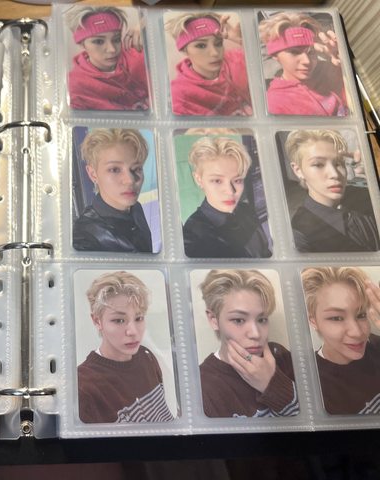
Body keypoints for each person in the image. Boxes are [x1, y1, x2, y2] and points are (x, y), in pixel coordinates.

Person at [198, 269, 299, 418]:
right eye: (239, 320)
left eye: (262, 319)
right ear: (214, 320)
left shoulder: (281, 356)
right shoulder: (202, 385)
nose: (256, 334)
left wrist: (273, 385)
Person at [77, 271, 174, 423]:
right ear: (97, 321)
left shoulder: (146, 356)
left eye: (139, 318)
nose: (133, 332)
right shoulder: (84, 387)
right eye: (119, 320)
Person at [284, 129, 379, 252]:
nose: (334, 174)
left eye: (338, 163)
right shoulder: (300, 234)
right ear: (298, 170)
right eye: (318, 164)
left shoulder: (367, 195)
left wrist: (375, 169)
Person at [301, 267, 380, 415]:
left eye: (361, 315)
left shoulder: (376, 346)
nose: (357, 332)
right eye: (336, 318)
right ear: (313, 321)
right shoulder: (312, 385)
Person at [182, 135, 271, 258]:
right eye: (217, 181)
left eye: (237, 180)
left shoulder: (246, 210)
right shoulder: (192, 237)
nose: (230, 191)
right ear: (199, 179)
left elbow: (266, 252)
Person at [73, 128, 153, 253]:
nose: (130, 180)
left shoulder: (136, 208)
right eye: (115, 169)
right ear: (93, 174)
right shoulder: (84, 239)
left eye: (137, 168)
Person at [259, 12, 348, 116]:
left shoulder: (330, 71)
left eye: (311, 52)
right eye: (294, 52)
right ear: (275, 55)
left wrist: (344, 63)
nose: (307, 61)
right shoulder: (274, 103)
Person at [164, 12, 252, 116]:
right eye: (201, 46)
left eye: (218, 43)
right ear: (184, 50)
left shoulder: (237, 60)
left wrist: (243, 42)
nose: (215, 53)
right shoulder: (180, 95)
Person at [64, 6, 150, 111]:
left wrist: (147, 25)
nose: (112, 49)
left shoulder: (138, 56)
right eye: (99, 41)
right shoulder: (75, 87)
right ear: (82, 44)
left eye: (116, 39)